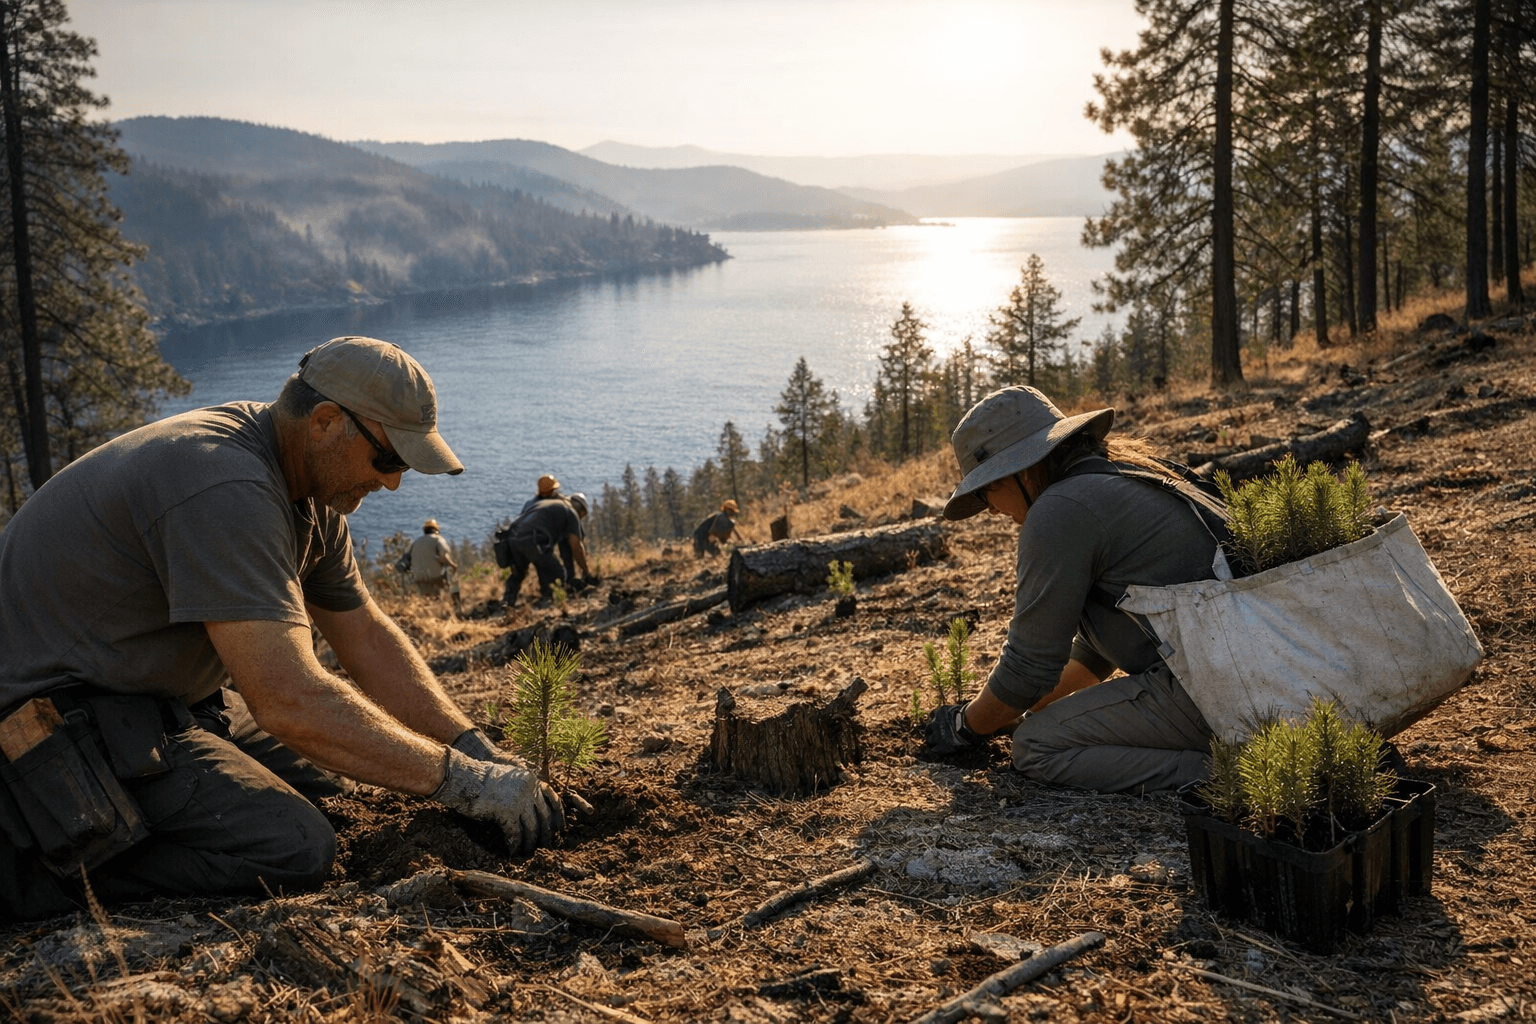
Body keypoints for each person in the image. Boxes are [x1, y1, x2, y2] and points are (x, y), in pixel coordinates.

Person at [0, 336, 564, 921]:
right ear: (325, 422)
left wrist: (472, 750)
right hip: (49, 720)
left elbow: (365, 635)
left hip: (157, 701)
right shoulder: (227, 488)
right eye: (389, 459)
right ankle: (35, 878)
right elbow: (287, 698)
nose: (393, 483)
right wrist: (462, 783)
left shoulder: (307, 486)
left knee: (339, 784)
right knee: (296, 848)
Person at [923, 385, 1227, 795]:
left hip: (1216, 693)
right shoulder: (1126, 476)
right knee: (1034, 725)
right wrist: (1017, 709)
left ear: (1023, 468)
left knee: (1036, 745)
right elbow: (1096, 650)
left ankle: (1232, 775)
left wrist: (965, 726)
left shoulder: (1060, 510)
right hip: (1248, 678)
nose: (990, 507)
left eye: (986, 489)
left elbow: (1028, 669)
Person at [502, 491, 593, 608]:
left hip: (513, 537)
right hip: (533, 540)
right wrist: (586, 571)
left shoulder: (549, 505)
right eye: (582, 515)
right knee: (557, 573)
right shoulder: (570, 512)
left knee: (518, 573)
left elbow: (566, 550)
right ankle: (549, 604)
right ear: (580, 510)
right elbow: (576, 548)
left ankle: (507, 604)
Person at [405, 519, 461, 614]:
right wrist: (453, 565)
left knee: (426, 598)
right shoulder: (437, 539)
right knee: (452, 578)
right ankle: (457, 608)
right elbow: (444, 556)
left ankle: (428, 616)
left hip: (418, 577)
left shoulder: (416, 542)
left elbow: (409, 560)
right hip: (435, 575)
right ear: (436, 529)